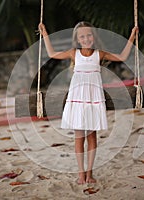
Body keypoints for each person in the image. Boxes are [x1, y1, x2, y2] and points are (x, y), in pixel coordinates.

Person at [38, 22, 138, 184]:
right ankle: (81, 173)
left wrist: (132, 35)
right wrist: (45, 34)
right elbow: (51, 53)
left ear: (94, 36)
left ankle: (90, 173)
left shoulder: (99, 54)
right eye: (82, 36)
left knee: (92, 137)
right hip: (78, 99)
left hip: (93, 99)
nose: (86, 39)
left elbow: (122, 57)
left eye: (89, 35)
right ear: (77, 40)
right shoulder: (73, 53)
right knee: (79, 138)